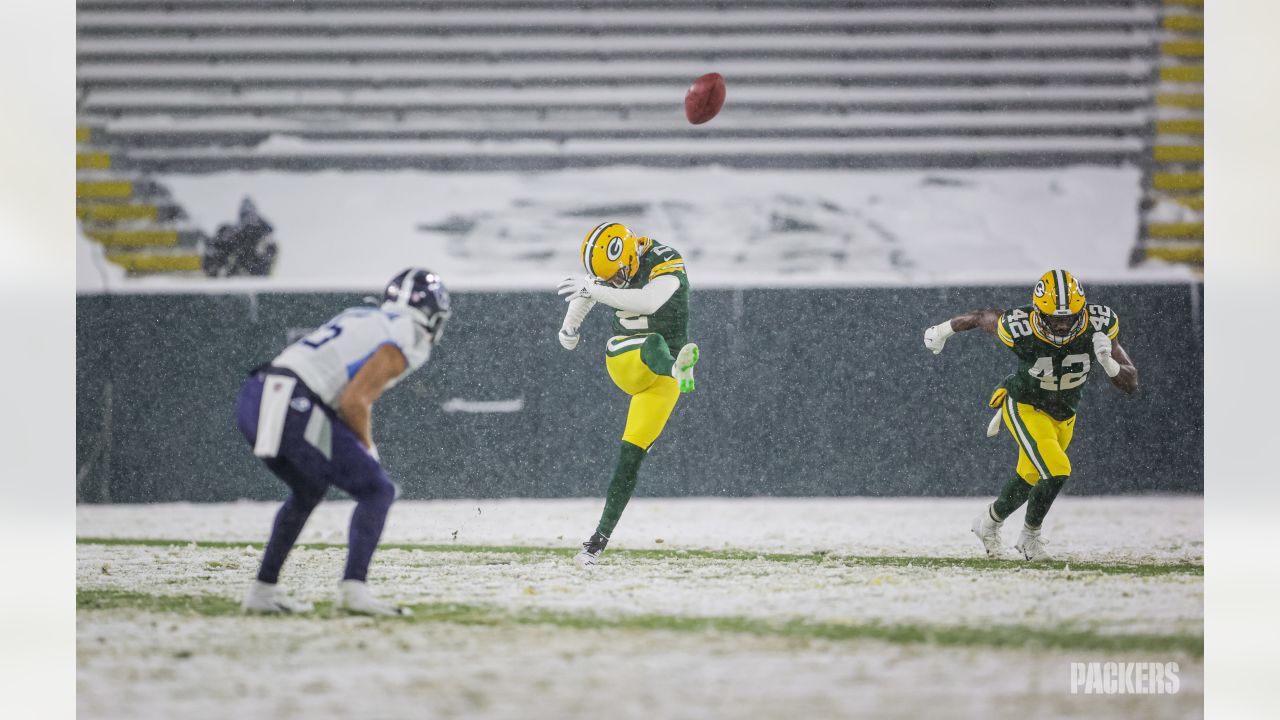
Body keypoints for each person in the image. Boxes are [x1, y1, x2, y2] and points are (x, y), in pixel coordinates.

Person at [235, 268, 451, 614]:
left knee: (308, 490)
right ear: (431, 313)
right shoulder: (407, 333)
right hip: (294, 399)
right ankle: (354, 590)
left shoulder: (362, 315)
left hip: (257, 393)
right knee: (377, 490)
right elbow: (355, 402)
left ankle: (262, 591)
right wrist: (368, 450)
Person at [922, 269, 1138, 560]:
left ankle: (987, 523)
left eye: (1069, 317)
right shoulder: (1019, 326)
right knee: (1058, 469)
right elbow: (981, 317)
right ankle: (1030, 537)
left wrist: (1109, 364)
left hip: (1064, 413)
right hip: (1025, 404)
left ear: (1082, 311)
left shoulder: (1099, 326)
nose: (1062, 325)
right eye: (1055, 318)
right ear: (1037, 313)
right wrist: (943, 330)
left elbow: (1131, 382)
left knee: (1029, 478)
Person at [557, 222, 700, 566]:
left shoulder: (665, 262)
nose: (616, 282)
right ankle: (677, 368)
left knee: (630, 458)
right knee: (652, 343)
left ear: (632, 252)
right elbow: (589, 292)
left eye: (618, 275)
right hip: (626, 357)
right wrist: (570, 326)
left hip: (663, 376)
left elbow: (649, 302)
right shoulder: (611, 270)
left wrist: (594, 290)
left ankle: (595, 544)